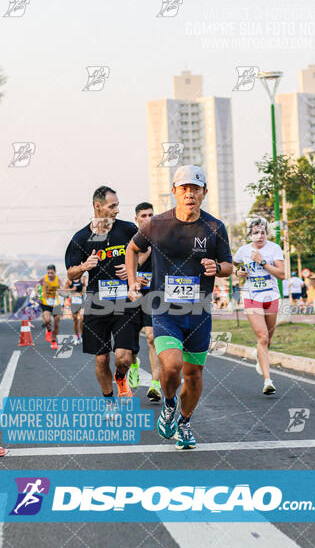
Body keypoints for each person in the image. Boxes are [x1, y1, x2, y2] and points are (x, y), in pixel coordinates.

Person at [126, 165, 232, 449]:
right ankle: (169, 405)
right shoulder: (157, 224)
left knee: (194, 375)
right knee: (170, 366)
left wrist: (217, 266)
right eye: (184, 188)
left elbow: (229, 266)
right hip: (164, 311)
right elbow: (131, 249)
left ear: (204, 193)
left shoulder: (214, 227)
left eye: (195, 189)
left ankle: (184, 423)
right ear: (174, 192)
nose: (190, 194)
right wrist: (132, 282)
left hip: (198, 314)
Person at [65, 186, 139, 398]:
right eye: (112, 206)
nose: (117, 210)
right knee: (101, 359)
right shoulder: (81, 237)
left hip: (125, 303)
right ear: (98, 207)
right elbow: (71, 274)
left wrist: (133, 266)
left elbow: (148, 251)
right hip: (97, 304)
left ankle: (121, 377)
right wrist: (83, 266)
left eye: (117, 205)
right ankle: (108, 400)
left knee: (124, 358)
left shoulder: (127, 230)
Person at [233, 217, 285, 395]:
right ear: (250, 235)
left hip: (271, 296)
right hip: (251, 297)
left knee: (268, 340)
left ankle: (258, 354)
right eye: (256, 232)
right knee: (262, 336)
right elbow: (233, 265)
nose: (260, 235)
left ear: (266, 233)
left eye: (263, 232)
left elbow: (282, 274)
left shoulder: (274, 249)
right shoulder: (243, 251)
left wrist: (263, 262)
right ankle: (268, 381)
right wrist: (237, 272)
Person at [128, 202, 162, 402]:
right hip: (132, 294)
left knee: (151, 337)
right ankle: (134, 364)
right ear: (136, 219)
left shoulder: (160, 239)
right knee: (130, 344)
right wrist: (134, 278)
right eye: (143, 215)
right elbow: (125, 267)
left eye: (151, 215)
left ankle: (155, 385)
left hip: (153, 295)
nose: (148, 218)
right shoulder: (130, 240)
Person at [39, 265, 64, 349]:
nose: (50, 274)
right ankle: (48, 329)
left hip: (56, 303)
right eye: (48, 272)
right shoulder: (43, 278)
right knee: (47, 320)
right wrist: (38, 292)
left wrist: (60, 291)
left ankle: (53, 341)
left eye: (51, 273)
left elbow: (62, 289)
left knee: (56, 322)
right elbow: (37, 285)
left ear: (55, 272)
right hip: (46, 303)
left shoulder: (58, 279)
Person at [64, 274, 87, 340]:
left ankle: (82, 334)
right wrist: (71, 289)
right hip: (74, 302)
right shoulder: (69, 281)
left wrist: (84, 285)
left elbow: (84, 287)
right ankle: (77, 335)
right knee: (75, 320)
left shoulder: (82, 279)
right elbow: (64, 290)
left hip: (81, 300)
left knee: (82, 318)